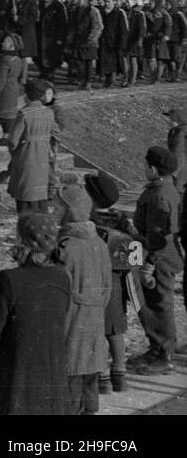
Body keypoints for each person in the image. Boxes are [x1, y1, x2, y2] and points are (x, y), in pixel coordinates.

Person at [0, 213, 73, 415]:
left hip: (12, 372)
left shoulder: (9, 279)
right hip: (51, 371)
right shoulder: (62, 277)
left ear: (23, 240)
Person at [55, 185, 112, 414]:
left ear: (70, 210)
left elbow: (57, 293)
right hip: (95, 319)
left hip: (71, 320)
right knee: (89, 373)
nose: (54, 210)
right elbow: (107, 287)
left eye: (59, 206)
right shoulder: (99, 243)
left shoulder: (66, 247)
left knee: (70, 376)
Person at [128, 146, 182, 374]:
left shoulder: (160, 194)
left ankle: (165, 354)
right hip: (157, 254)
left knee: (160, 303)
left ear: (152, 168)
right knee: (152, 302)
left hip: (160, 257)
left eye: (145, 165)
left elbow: (159, 236)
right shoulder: (163, 188)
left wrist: (149, 265)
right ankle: (156, 347)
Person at [86, 171, 133, 393]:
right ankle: (120, 374)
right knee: (116, 330)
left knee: (96, 330)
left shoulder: (90, 225)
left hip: (95, 282)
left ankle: (102, 377)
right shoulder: (122, 223)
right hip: (118, 283)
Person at [6, 78, 57, 214]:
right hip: (43, 154)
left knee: (25, 190)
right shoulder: (48, 112)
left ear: (26, 95)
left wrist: (14, 153)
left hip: (26, 154)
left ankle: (26, 228)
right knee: (40, 192)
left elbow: (12, 140)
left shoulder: (24, 113)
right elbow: (55, 131)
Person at [37, 0, 68, 81]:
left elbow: (62, 23)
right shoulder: (41, 4)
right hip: (42, 34)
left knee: (51, 56)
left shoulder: (58, 6)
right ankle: (43, 72)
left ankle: (50, 73)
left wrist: (60, 37)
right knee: (40, 55)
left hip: (53, 35)